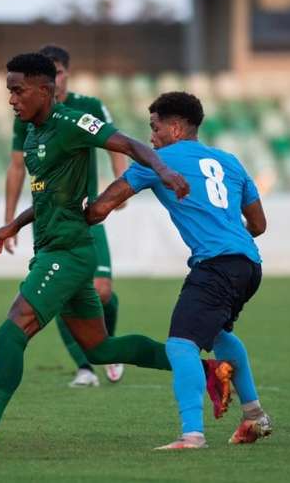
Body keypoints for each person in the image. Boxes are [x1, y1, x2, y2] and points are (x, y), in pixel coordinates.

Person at [0, 54, 230, 455]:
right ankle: (206, 371)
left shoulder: (72, 123)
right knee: (100, 349)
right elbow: (48, 195)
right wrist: (15, 225)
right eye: (9, 91)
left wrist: (163, 171)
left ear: (45, 89)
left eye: (18, 90)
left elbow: (128, 142)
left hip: (69, 252)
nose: (12, 99)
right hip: (52, 247)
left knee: (12, 329)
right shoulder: (31, 133)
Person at [85, 91, 273, 448]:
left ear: (174, 128)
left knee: (181, 345)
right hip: (249, 264)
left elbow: (102, 207)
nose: (151, 137)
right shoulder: (229, 161)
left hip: (216, 265)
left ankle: (192, 434)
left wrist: (68, 210)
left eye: (154, 128)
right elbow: (259, 224)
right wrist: (229, 237)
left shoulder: (159, 161)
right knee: (218, 337)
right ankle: (254, 417)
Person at [4, 45, 127, 387]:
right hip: (50, 216)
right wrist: (10, 220)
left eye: (58, 73)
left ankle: (107, 346)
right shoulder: (27, 115)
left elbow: (117, 145)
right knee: (60, 292)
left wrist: (120, 190)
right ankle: (85, 367)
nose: (55, 80)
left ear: (66, 74)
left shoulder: (86, 107)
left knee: (101, 291)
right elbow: (16, 166)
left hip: (85, 213)